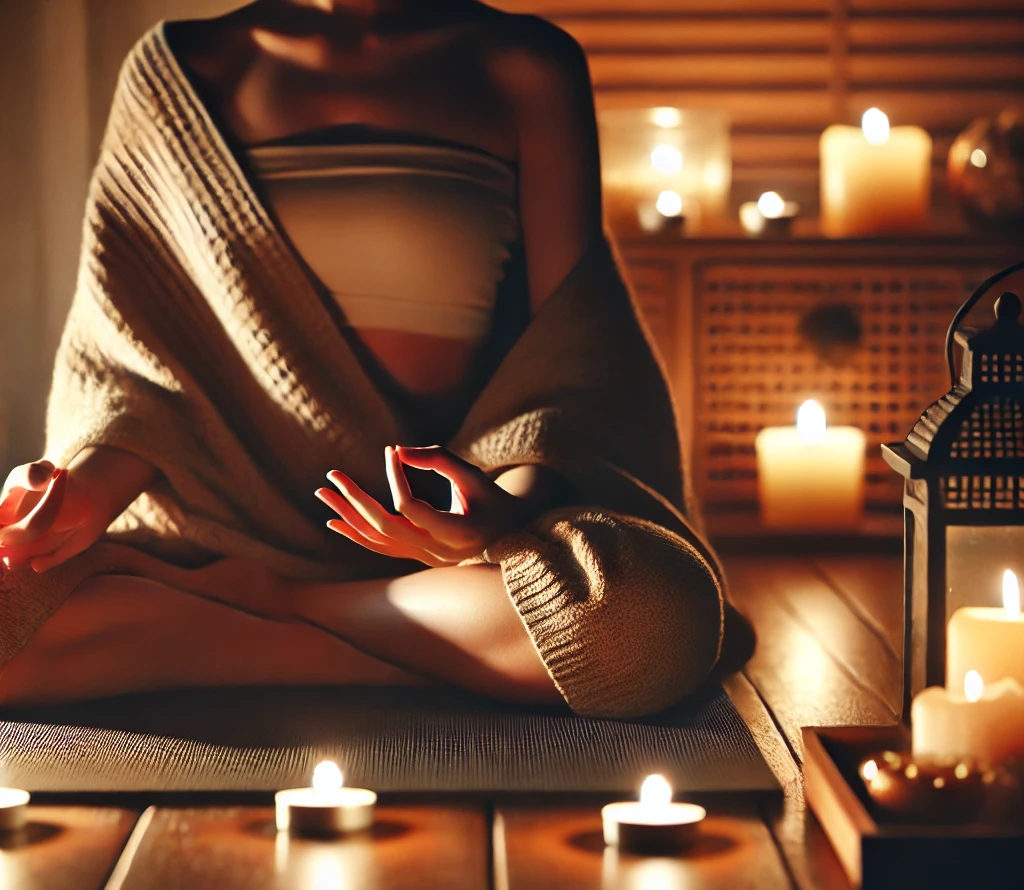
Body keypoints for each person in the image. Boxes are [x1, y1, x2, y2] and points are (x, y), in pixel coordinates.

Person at [0, 0, 751, 715]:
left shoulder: (524, 66)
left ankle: (265, 611)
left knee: (652, 623)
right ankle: (423, 663)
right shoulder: (186, 69)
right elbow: (134, 361)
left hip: (444, 565)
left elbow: (567, 358)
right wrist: (84, 495)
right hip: (219, 526)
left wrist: (500, 515)